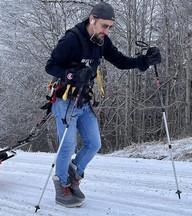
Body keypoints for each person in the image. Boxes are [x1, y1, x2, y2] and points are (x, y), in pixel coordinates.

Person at [45, 2, 161, 208]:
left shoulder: (101, 41)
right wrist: (71, 74)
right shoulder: (71, 39)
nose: (107, 31)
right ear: (92, 20)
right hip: (64, 99)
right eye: (104, 26)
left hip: (84, 100)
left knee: (94, 143)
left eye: (110, 27)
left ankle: (74, 176)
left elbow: (121, 61)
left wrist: (144, 61)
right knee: (68, 145)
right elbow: (51, 66)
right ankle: (61, 185)